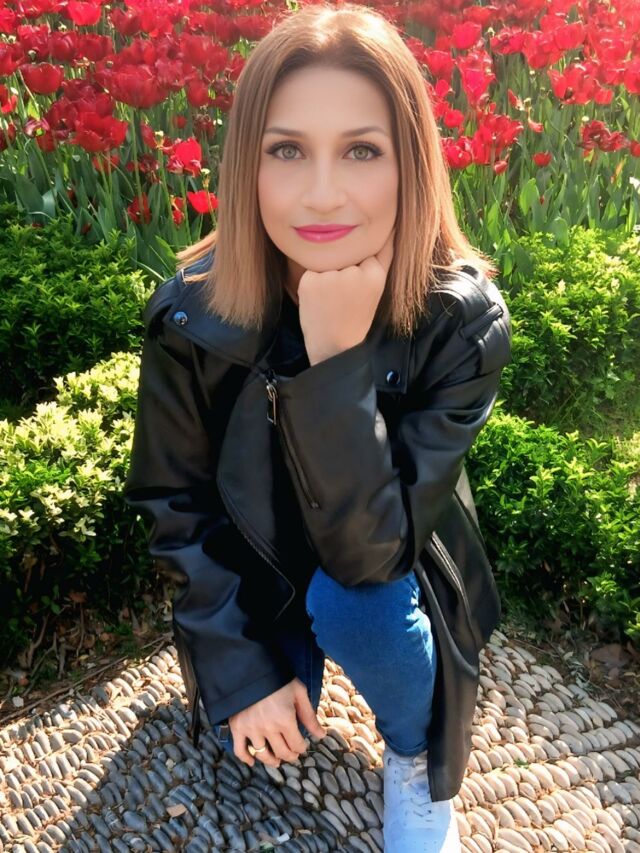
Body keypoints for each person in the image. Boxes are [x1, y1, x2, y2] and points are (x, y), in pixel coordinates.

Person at [123, 3, 512, 851]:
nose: (323, 193)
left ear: (409, 164)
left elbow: (375, 556)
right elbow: (175, 502)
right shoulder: (193, 317)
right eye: (287, 150)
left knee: (354, 605)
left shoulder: (459, 321)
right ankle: (280, 655)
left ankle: (416, 755)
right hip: (259, 569)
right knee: (252, 736)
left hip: (379, 573)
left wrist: (337, 359)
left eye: (362, 150)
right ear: (247, 165)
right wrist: (241, 670)